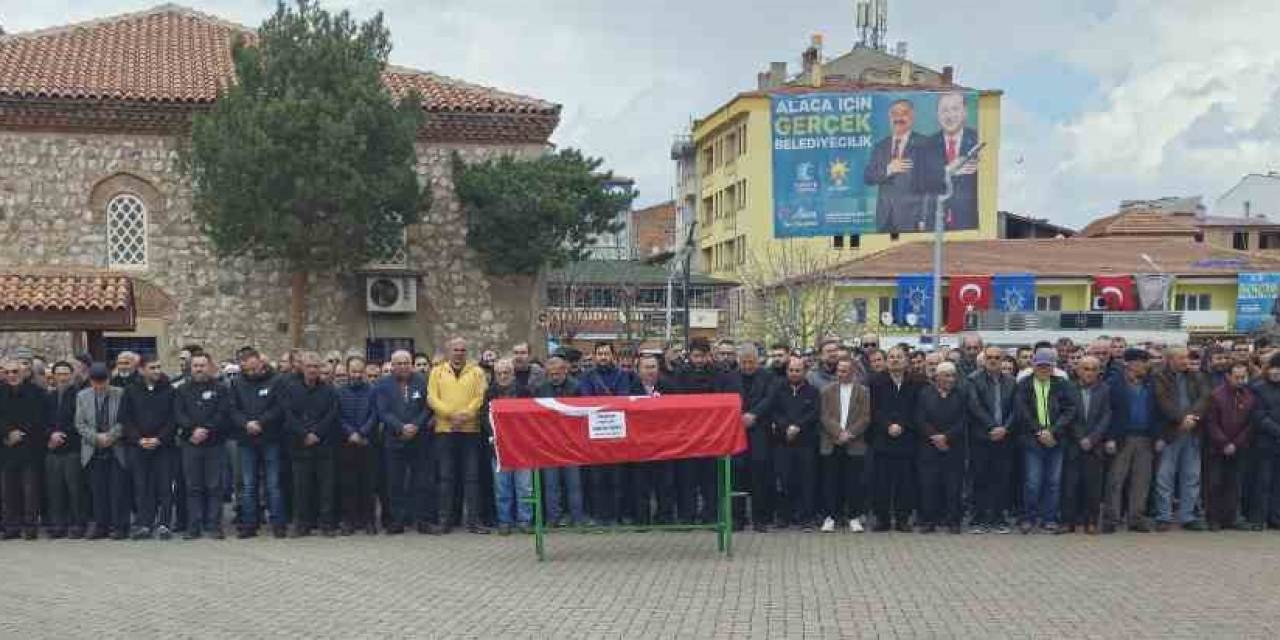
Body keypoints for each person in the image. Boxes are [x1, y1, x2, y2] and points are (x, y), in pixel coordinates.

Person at [576, 341, 643, 527]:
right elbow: (586, 400)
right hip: (595, 435)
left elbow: (623, 398)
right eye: (600, 354)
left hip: (616, 434)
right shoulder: (587, 376)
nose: (603, 357)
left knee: (618, 479)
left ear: (613, 356)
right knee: (596, 479)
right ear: (595, 356)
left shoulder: (623, 375)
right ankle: (599, 516)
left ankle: (618, 515)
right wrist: (607, 403)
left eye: (606, 353)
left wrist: (603, 403)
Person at [428, 338, 490, 534]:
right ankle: (445, 521)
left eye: (463, 350)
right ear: (448, 351)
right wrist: (450, 415)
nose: (459, 353)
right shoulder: (437, 371)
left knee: (472, 478)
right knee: (445, 478)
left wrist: (465, 415)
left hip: (470, 431)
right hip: (445, 431)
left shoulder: (477, 372)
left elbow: (480, 397)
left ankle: (473, 521)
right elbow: (432, 397)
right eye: (455, 349)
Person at [1013, 348, 1077, 534]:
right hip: (1032, 440)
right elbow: (1022, 411)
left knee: (1054, 482)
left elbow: (1070, 409)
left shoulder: (1062, 384)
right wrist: (1040, 431)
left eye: (1047, 366)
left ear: (1053, 367)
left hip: (1056, 440)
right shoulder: (1024, 384)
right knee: (1032, 482)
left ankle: (1050, 518)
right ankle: (1028, 518)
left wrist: (1053, 431)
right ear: (1033, 365)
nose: (1043, 369)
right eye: (1040, 365)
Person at [673, 338, 734, 524]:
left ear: (709, 355)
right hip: (688, 434)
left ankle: (711, 515)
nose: (699, 360)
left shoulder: (720, 374)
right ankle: (687, 515)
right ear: (690, 356)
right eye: (695, 356)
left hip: (711, 434)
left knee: (710, 479)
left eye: (702, 356)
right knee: (687, 478)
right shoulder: (680, 374)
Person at [1152, 346, 1211, 532]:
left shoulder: (1197, 376)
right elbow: (1163, 402)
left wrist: (1193, 417)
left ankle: (1188, 516)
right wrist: (1181, 419)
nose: (1186, 361)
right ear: (1170, 360)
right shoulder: (1159, 377)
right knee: (1165, 477)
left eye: (1187, 357)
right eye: (1181, 358)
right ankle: (1164, 516)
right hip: (1170, 432)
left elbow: (1205, 398)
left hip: (1192, 431)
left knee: (1191, 476)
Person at [118, 355, 177, 540]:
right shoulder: (130, 390)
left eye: (159, 367)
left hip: (163, 446)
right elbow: (125, 418)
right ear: (142, 370)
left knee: (165, 486)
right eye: (152, 368)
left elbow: (173, 418)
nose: (157, 371)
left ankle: (164, 523)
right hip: (138, 446)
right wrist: (139, 439)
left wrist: (159, 439)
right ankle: (144, 523)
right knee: (142, 486)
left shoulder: (169, 390)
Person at [376, 349, 435, 535]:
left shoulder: (422, 381)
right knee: (395, 483)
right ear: (392, 366)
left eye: (406, 363)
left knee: (422, 481)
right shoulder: (382, 384)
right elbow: (383, 411)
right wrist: (401, 427)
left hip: (419, 439)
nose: (403, 367)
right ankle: (397, 521)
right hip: (394, 440)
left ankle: (422, 520)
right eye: (399, 364)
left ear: (411, 364)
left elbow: (427, 408)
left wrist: (415, 426)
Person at [229, 348, 286, 538]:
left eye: (255, 368)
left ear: (261, 363)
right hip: (246, 439)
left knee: (273, 484)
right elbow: (233, 409)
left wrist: (261, 422)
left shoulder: (276, 381)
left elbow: (279, 407)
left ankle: (278, 523)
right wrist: (246, 423)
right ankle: (249, 524)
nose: (252, 373)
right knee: (248, 484)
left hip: (270, 438)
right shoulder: (236, 383)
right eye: (248, 370)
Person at [1103, 349, 1161, 533]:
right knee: (1116, 480)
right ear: (1131, 364)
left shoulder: (1150, 384)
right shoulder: (1113, 384)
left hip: (1145, 438)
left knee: (1141, 481)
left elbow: (1156, 412)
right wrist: (1110, 438)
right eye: (1143, 362)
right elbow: (1107, 413)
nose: (1146, 366)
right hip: (1122, 438)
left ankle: (1136, 518)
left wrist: (1158, 437)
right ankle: (1111, 519)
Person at [173, 353, 229, 539]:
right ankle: (193, 527)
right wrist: (192, 430)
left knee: (214, 486)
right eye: (196, 366)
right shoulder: (182, 389)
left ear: (209, 367)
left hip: (214, 443)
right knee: (192, 487)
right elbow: (179, 413)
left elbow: (222, 413)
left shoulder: (220, 388)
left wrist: (206, 429)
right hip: (190, 444)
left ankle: (214, 526)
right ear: (191, 368)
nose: (199, 369)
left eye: (202, 365)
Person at [868, 345, 922, 532]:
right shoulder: (875, 382)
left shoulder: (916, 382)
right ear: (886, 361)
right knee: (881, 482)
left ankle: (902, 519)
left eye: (899, 357)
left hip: (907, 439)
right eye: (891, 357)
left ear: (906, 360)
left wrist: (902, 425)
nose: (895, 360)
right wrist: (888, 426)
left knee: (905, 483)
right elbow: (873, 409)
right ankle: (882, 519)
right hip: (882, 439)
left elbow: (917, 409)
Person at [967, 346, 1017, 534]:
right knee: (980, 478)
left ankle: (998, 519)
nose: (993, 360)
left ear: (1003, 359)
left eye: (997, 357)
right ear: (984, 359)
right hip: (982, 437)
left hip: (1005, 438)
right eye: (990, 357)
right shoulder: (973, 380)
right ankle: (978, 519)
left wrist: (1005, 428)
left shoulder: (1012, 382)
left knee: (1001, 479)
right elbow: (974, 406)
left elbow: (1017, 409)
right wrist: (993, 427)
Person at [76, 364, 129, 539]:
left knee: (117, 490)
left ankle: (119, 526)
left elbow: (125, 420)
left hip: (116, 448)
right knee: (98, 490)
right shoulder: (82, 396)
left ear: (109, 379)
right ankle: (101, 526)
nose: (100, 386)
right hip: (93, 448)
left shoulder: (120, 394)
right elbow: (80, 423)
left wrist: (110, 436)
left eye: (103, 381)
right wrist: (96, 437)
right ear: (90, 381)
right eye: (96, 382)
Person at [818, 356, 869, 534]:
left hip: (854, 443)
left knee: (853, 482)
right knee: (831, 482)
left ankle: (853, 517)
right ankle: (830, 517)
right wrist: (838, 432)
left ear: (853, 372)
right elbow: (824, 415)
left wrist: (849, 433)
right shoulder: (826, 390)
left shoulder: (863, 392)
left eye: (845, 370)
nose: (841, 373)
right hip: (831, 442)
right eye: (839, 370)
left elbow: (865, 417)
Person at [915, 362, 966, 534]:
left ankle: (953, 521)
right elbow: (920, 418)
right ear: (937, 377)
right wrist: (935, 436)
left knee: (953, 486)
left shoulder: (961, 394)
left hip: (953, 446)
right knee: (929, 485)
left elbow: (964, 420)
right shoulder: (925, 393)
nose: (950, 379)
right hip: (929, 446)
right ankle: (929, 521)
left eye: (953, 375)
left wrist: (946, 437)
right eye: (946, 375)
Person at [863, 98, 929, 233]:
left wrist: (924, 218)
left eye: (904, 113)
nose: (898, 118)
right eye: (894, 114)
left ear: (912, 117)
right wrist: (889, 169)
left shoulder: (925, 144)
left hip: (912, 220)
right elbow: (868, 177)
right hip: (884, 219)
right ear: (889, 118)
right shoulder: (880, 146)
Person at [1062, 356, 1111, 534]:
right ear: (1078, 370)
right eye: (1085, 368)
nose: (1089, 373)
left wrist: (1092, 438)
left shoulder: (1105, 390)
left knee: (1093, 487)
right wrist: (1080, 437)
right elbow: (1067, 415)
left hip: (1095, 445)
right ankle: (1068, 522)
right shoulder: (1069, 388)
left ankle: (1091, 522)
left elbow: (1106, 416)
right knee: (1070, 485)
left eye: (1093, 369)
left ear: (1099, 372)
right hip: (1073, 444)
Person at [534, 357, 586, 527]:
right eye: (551, 374)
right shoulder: (541, 389)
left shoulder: (576, 387)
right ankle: (553, 519)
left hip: (571, 443)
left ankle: (577, 518)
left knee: (574, 484)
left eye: (557, 373)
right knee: (551, 484)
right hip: (550, 443)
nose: (554, 377)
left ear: (565, 371)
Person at [916, 92, 978, 231]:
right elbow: (919, 183)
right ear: (937, 115)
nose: (949, 116)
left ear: (965, 112)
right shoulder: (925, 145)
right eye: (944, 110)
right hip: (935, 224)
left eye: (955, 109)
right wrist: (947, 171)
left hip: (969, 225)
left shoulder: (977, 140)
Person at [771, 356, 821, 530]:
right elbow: (774, 411)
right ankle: (784, 516)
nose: (794, 373)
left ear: (804, 372)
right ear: (786, 371)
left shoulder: (813, 391)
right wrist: (786, 427)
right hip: (783, 442)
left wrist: (798, 426)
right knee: (784, 480)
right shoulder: (778, 390)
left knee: (806, 481)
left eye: (798, 370)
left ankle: (806, 517)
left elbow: (814, 413)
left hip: (806, 443)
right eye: (791, 370)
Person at [485, 358, 533, 535]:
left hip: (522, 447)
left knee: (524, 487)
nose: (503, 376)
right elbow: (484, 418)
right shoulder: (488, 394)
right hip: (499, 448)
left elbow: (530, 417)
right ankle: (504, 521)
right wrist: (493, 434)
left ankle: (525, 520)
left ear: (513, 374)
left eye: (506, 372)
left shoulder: (525, 392)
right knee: (502, 488)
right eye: (499, 373)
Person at [1, 358, 48, 539]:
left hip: (30, 447)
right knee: (8, 491)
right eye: (8, 372)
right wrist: (7, 433)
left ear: (23, 373)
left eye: (15, 372)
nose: (11, 375)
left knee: (30, 491)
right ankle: (11, 527)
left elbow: (39, 417)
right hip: (6, 448)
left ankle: (30, 528)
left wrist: (19, 434)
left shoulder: (37, 392)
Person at [733, 343, 777, 532]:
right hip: (736, 431)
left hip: (760, 432)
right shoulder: (730, 377)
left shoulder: (768, 377)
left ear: (758, 361)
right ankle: (738, 518)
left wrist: (754, 415)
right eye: (744, 362)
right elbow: (727, 399)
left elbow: (770, 399)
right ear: (739, 361)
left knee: (760, 476)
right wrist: (740, 416)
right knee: (737, 475)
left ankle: (760, 518)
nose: (748, 366)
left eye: (751, 362)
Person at [1205, 363, 1254, 530]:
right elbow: (1211, 423)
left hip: (1239, 447)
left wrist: (1236, 443)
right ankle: (1214, 519)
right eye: (1237, 377)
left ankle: (1231, 518)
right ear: (1228, 376)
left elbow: (1250, 424)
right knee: (1215, 483)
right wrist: (1225, 443)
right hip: (1217, 448)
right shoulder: (1216, 395)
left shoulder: (1249, 396)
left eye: (1243, 377)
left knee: (1234, 483)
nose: (1240, 380)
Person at [337, 355, 377, 535]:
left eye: (360, 371)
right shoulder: (339, 392)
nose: (357, 375)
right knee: (348, 484)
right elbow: (338, 416)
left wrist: (361, 433)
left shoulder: (373, 391)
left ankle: (369, 521)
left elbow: (375, 414)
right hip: (346, 443)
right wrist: (350, 433)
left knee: (368, 484)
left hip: (367, 443)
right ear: (347, 371)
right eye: (354, 371)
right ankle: (349, 521)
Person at [45, 361, 86, 538]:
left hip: (72, 449)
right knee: (55, 490)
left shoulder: (80, 396)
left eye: (65, 374)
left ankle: (78, 524)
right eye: (59, 374)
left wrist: (61, 436)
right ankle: (58, 525)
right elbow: (42, 420)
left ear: (71, 375)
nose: (62, 377)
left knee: (75, 489)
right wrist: (50, 435)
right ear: (53, 376)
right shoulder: (48, 397)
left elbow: (80, 421)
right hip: (52, 449)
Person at [1249, 353, 1280, 530]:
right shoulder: (1258, 388)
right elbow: (1259, 416)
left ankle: (1275, 518)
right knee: (1262, 481)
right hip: (1264, 442)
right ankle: (1258, 518)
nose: (1276, 372)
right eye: (1274, 368)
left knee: (1277, 483)